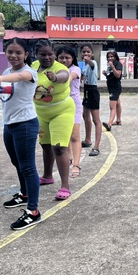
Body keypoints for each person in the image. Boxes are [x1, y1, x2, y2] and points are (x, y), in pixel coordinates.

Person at [0, 38, 41, 230]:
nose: (13, 55)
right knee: (17, 163)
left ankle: (33, 211)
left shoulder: (30, 72)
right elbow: (2, 97)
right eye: (10, 52)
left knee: (28, 167)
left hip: (25, 124)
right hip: (9, 124)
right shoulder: (6, 72)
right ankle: (24, 194)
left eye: (18, 52)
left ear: (26, 54)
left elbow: (19, 77)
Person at [32, 39, 76, 201]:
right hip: (41, 111)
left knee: (59, 147)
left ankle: (65, 186)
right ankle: (47, 176)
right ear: (36, 55)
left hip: (61, 111)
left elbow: (64, 76)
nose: (46, 57)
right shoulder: (33, 66)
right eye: (42, 54)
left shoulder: (59, 68)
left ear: (54, 54)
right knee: (45, 145)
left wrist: (55, 78)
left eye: (50, 54)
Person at [57, 46, 83, 178]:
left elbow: (71, 77)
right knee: (64, 135)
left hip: (74, 104)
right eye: (61, 57)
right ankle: (69, 157)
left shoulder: (75, 69)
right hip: (59, 104)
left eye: (67, 57)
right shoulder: (55, 69)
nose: (64, 60)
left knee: (74, 136)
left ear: (72, 58)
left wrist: (57, 79)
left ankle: (76, 165)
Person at [80, 43, 103, 157]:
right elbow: (82, 77)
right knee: (85, 115)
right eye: (84, 52)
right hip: (86, 90)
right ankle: (88, 139)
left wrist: (88, 60)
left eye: (88, 52)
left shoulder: (93, 63)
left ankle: (96, 147)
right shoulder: (84, 66)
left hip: (93, 91)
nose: (86, 54)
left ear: (92, 54)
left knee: (96, 120)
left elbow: (91, 64)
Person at [102, 51, 123, 131]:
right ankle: (118, 120)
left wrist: (112, 67)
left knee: (112, 106)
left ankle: (109, 124)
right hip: (111, 87)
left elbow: (118, 75)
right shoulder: (110, 65)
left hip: (115, 88)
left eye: (112, 56)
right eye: (108, 57)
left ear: (115, 57)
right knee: (117, 103)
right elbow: (111, 76)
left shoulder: (117, 64)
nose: (110, 58)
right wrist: (105, 74)